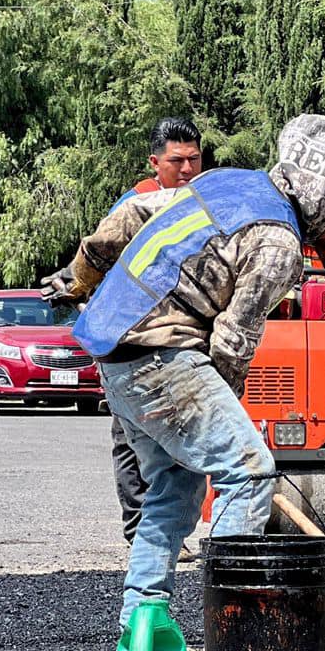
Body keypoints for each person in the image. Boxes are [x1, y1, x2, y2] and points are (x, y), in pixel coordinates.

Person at [54, 114, 325, 628]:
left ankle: (141, 623)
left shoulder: (229, 182)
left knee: (173, 492)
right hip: (164, 353)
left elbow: (130, 216)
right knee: (249, 471)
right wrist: (225, 411)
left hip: (114, 351)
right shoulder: (279, 244)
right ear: (323, 191)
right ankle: (228, 621)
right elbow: (232, 342)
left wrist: (82, 277)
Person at [110, 118, 206, 548]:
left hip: (183, 334)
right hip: (133, 336)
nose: (186, 169)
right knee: (134, 436)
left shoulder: (204, 202)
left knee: (181, 433)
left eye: (194, 159)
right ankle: (139, 529)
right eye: (176, 161)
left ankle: (171, 526)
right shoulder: (133, 206)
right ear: (155, 162)